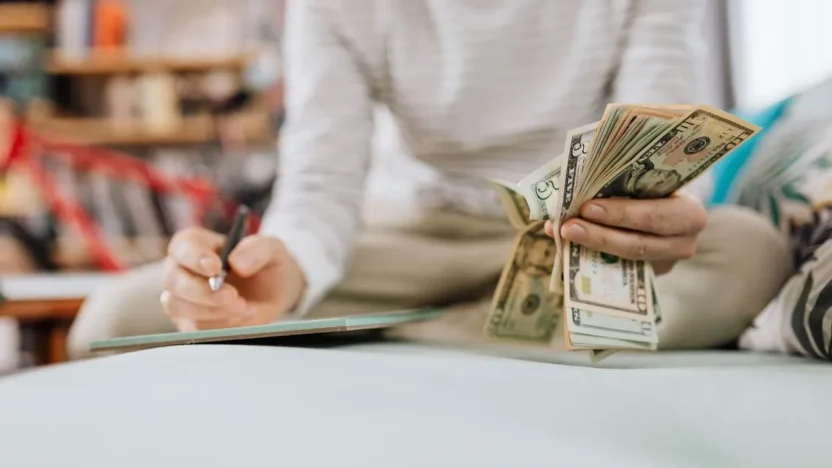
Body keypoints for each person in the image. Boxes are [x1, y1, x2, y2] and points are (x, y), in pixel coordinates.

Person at [67, 0, 793, 359]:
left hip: (567, 237)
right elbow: (321, 185)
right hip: (400, 237)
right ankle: (485, 333)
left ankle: (391, 336)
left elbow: (662, 132)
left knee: (750, 253)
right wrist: (281, 276)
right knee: (110, 324)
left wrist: (666, 213)